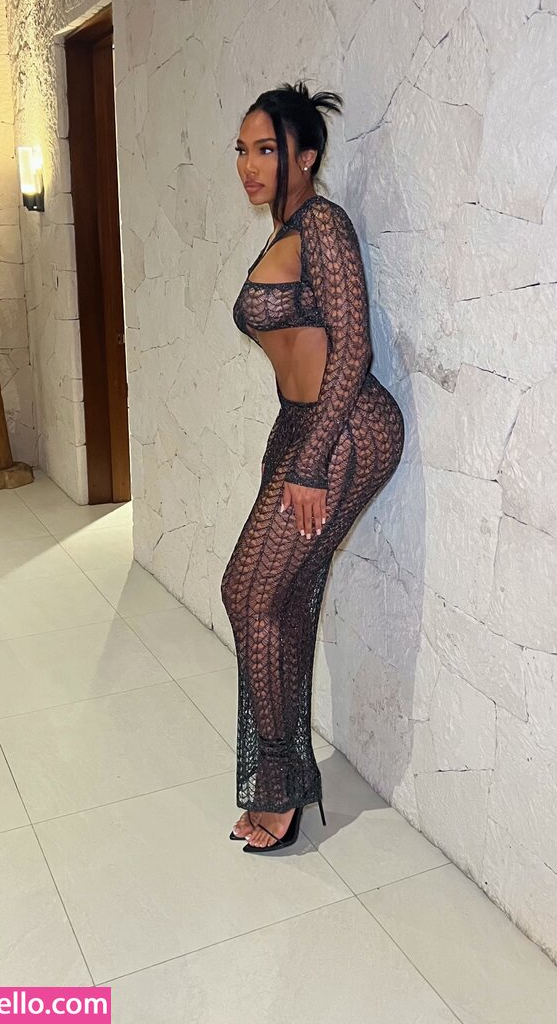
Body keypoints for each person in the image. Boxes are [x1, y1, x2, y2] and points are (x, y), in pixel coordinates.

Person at [220, 81, 405, 854]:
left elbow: (353, 349)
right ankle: (287, 780)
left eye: (266, 149)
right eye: (242, 150)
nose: (249, 165)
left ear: (306, 155)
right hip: (302, 429)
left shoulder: (323, 224)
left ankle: (280, 789)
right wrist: (291, 448)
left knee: (248, 592)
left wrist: (309, 464)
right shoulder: (283, 231)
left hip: (346, 428)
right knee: (281, 600)